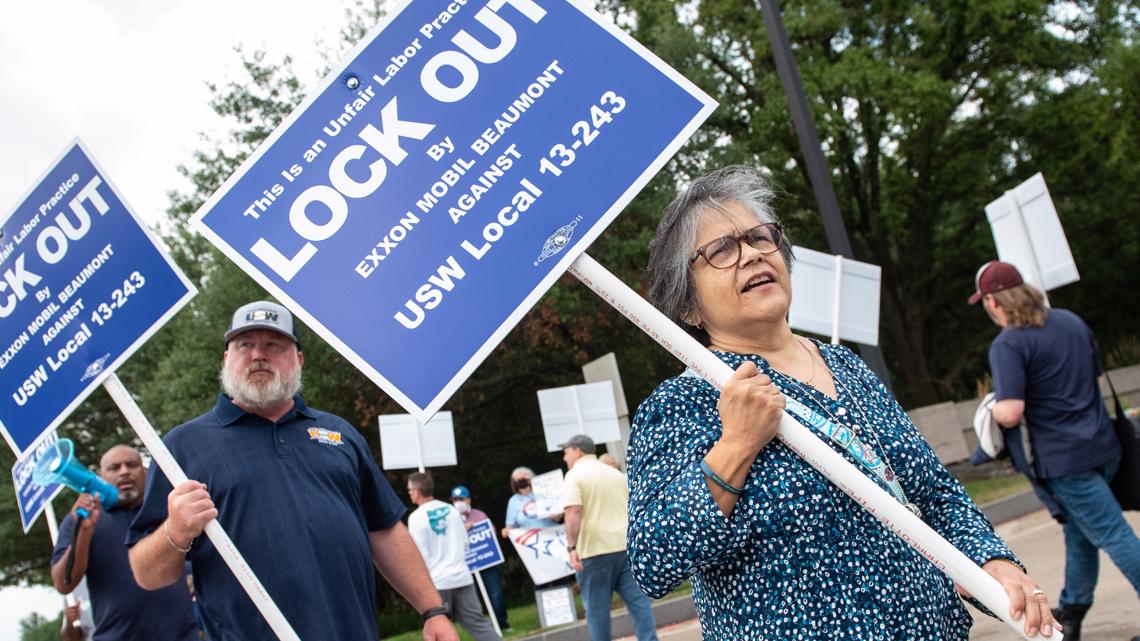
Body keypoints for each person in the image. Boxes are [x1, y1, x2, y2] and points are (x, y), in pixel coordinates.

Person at [627, 166, 1059, 640]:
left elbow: (932, 491)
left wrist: (993, 562)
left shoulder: (845, 365)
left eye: (759, 237)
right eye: (722, 250)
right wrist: (735, 447)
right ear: (687, 305)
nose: (751, 254)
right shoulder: (683, 402)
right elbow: (653, 562)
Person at [125, 301, 457, 641]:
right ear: (226, 359)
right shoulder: (183, 447)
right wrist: (176, 531)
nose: (258, 355)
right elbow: (146, 573)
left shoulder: (339, 434)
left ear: (297, 359)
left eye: (274, 345)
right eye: (245, 345)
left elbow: (384, 530)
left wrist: (432, 610)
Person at [972, 260, 1140, 641]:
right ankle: (1073, 612)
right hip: (1104, 447)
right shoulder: (1069, 321)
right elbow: (1096, 379)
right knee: (1079, 532)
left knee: (1114, 534)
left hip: (1065, 462)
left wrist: (990, 407)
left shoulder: (1009, 343)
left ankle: (1073, 610)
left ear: (994, 302)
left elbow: (1011, 412)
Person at [50, 444, 197, 641]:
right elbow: (63, 583)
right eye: (114, 468)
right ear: (101, 476)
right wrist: (83, 533)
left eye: (132, 465)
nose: (124, 471)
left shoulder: (167, 508)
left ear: (145, 472)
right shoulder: (78, 520)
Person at [560, 434, 659, 641]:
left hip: (595, 550)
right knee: (639, 603)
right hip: (625, 547)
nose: (564, 457)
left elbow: (573, 511)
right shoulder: (614, 473)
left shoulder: (574, 476)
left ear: (577, 451)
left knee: (597, 611)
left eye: (566, 452)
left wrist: (571, 547)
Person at [408, 473, 502, 641]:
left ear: (417, 491)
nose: (409, 493)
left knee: (439, 631)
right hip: (462, 577)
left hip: (437, 581)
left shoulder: (415, 518)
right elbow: (465, 543)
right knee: (479, 624)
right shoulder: (451, 510)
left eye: (410, 490)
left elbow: (419, 554)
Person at [451, 485, 510, 631]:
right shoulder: (451, 519)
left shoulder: (479, 515)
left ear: (469, 499)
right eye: (455, 499)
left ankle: (502, 625)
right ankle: (484, 630)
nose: (458, 502)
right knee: (473, 601)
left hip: (486, 563)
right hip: (467, 566)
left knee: (496, 595)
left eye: (461, 499)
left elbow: (492, 534)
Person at [502, 466, 561, 538]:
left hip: (553, 536)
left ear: (530, 479)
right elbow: (510, 527)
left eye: (523, 479)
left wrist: (554, 515)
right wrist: (505, 531)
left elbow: (558, 518)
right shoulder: (513, 501)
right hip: (530, 542)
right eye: (517, 479)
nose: (520, 481)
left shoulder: (543, 493)